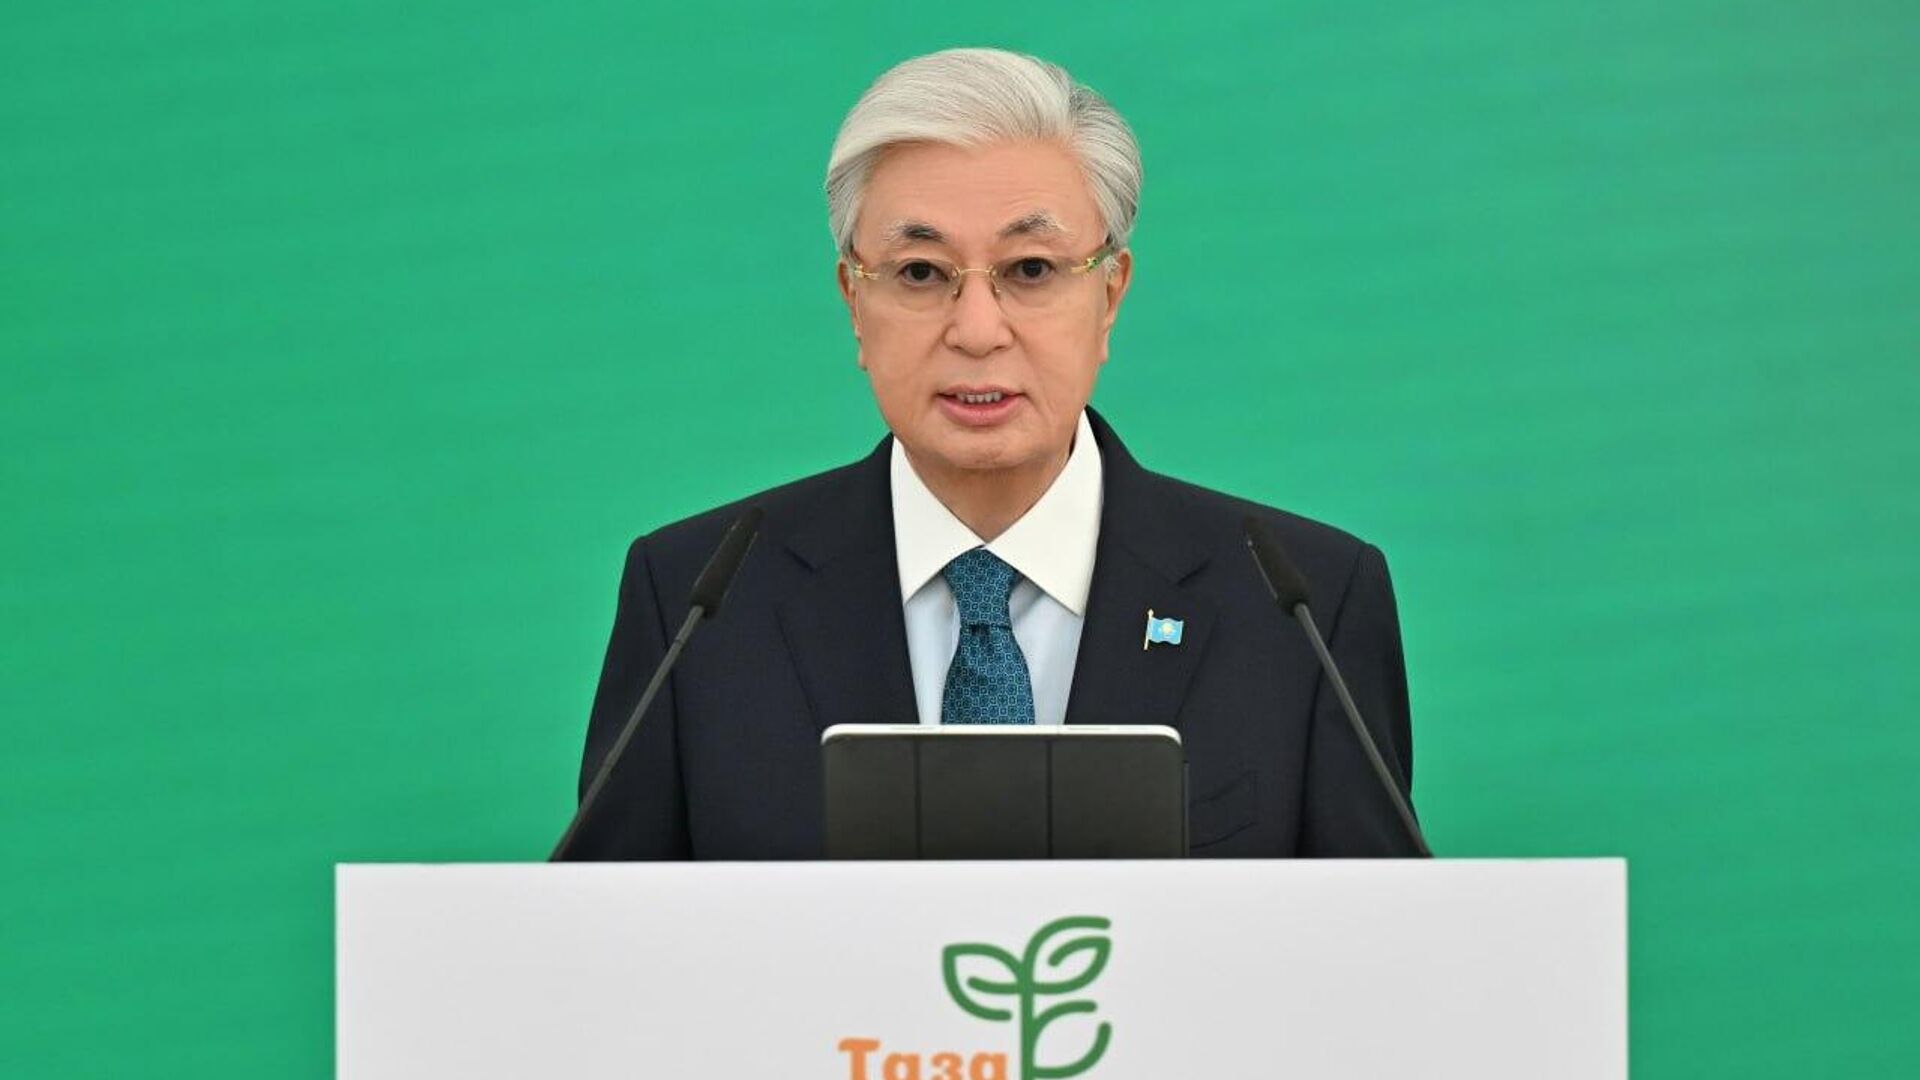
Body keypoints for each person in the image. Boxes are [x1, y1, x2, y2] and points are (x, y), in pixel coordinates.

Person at [568, 48, 1419, 859]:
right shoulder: (697, 603)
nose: (977, 331)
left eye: (1032, 269)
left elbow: (1379, 940)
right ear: (854, 302)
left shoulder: (1303, 607)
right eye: (920, 273)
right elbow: (601, 939)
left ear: (1110, 296)